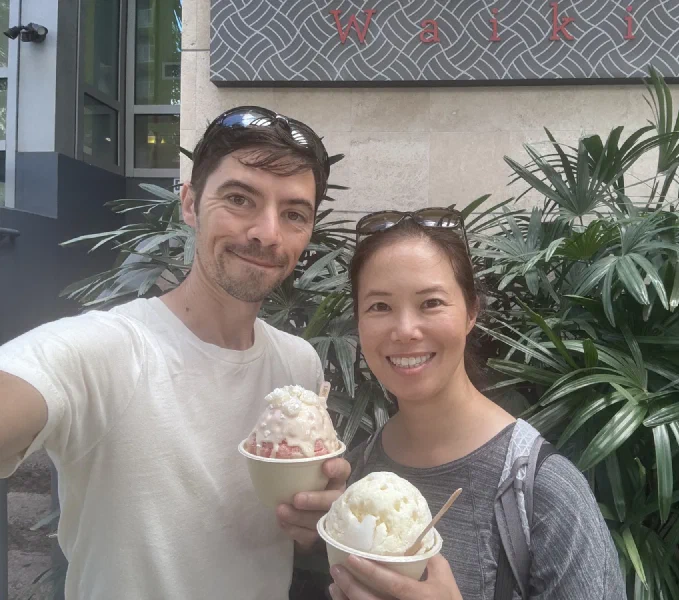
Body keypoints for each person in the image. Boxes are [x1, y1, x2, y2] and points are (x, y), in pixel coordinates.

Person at [0, 106, 350, 599]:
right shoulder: (106, 349)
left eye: (294, 213)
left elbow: (286, 525)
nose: (268, 232)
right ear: (189, 204)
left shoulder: (298, 366)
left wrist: (317, 519)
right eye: (239, 199)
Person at [328, 210, 626, 600]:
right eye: (379, 307)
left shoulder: (542, 491)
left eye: (431, 302)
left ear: (471, 311)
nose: (405, 330)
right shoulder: (355, 477)